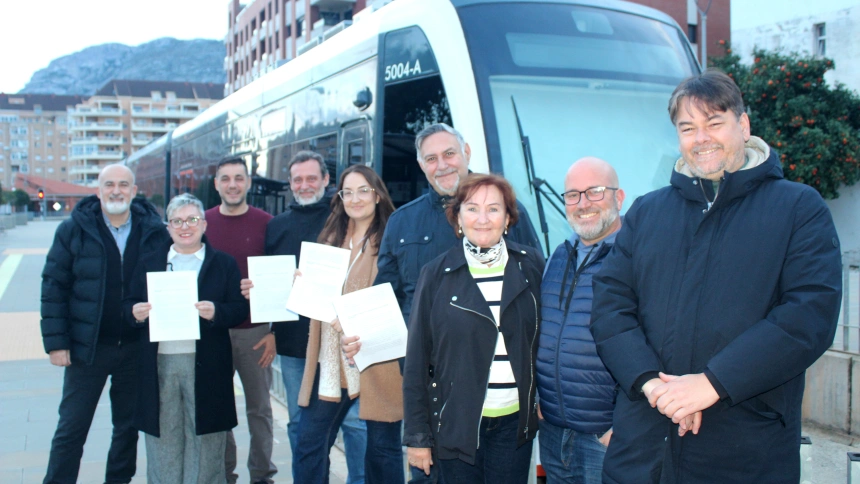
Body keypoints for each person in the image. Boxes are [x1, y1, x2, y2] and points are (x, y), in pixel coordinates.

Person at [590, 68, 843, 483]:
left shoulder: (799, 208)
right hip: (643, 446)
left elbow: (807, 317)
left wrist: (711, 384)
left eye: (714, 122)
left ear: (743, 125)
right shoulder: (647, 212)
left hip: (744, 449)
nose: (701, 138)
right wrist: (654, 387)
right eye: (687, 127)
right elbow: (610, 307)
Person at [376, 123, 542, 483]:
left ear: (466, 152)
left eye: (449, 153)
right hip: (441, 404)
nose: (442, 165)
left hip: (509, 414)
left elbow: (538, 313)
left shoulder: (523, 248)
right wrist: (359, 333)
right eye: (431, 158)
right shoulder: (403, 224)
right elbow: (384, 302)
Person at [40, 163, 170, 484]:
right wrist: (57, 344)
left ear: (134, 191)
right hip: (87, 349)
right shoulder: (73, 230)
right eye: (109, 184)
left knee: (126, 430)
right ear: (98, 191)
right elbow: (54, 286)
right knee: (71, 429)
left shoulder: (154, 231)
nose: (116, 191)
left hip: (135, 348)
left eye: (123, 185)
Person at [245, 150, 366, 481]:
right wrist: (259, 292)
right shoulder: (277, 227)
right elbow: (273, 285)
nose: (305, 185)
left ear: (326, 180)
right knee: (300, 422)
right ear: (290, 183)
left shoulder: (347, 219)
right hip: (294, 343)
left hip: (341, 341)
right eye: (297, 179)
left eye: (312, 178)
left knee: (355, 423)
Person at [126, 193, 249, 484]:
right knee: (164, 440)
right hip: (160, 363)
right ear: (168, 227)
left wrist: (216, 312)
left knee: (205, 442)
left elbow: (239, 310)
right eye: (177, 221)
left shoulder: (223, 263)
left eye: (192, 219)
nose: (185, 226)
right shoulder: (149, 262)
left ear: (204, 224)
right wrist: (135, 312)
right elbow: (127, 304)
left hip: (207, 363)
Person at [292, 164, 402, 483]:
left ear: (378, 195)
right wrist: (302, 284)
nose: (355, 199)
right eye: (347, 192)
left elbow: (397, 294)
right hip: (332, 359)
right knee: (309, 442)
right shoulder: (330, 238)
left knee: (382, 449)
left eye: (363, 190)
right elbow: (318, 294)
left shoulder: (393, 238)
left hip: (378, 358)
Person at [536, 157, 625, 483]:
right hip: (553, 430)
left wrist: (625, 423)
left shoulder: (636, 258)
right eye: (573, 195)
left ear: (619, 197)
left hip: (605, 436)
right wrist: (539, 398)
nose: (583, 203)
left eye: (594, 191)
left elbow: (657, 344)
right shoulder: (558, 256)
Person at [203, 158, 277, 484]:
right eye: (225, 178)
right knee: (219, 410)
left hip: (255, 333)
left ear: (248, 182)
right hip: (213, 333)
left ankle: (262, 476)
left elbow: (282, 279)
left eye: (238, 178)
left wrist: (275, 332)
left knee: (259, 410)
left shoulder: (267, 224)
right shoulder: (202, 224)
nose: (232, 184)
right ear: (216, 184)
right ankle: (224, 475)